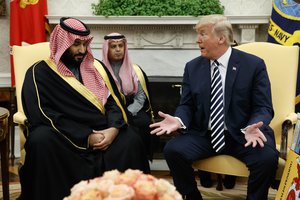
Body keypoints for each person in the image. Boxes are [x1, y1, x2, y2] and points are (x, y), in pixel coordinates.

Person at [19, 17, 150, 200]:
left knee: (131, 140)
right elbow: (42, 113)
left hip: (103, 131)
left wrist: (113, 129)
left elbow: (113, 102)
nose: (82, 50)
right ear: (62, 44)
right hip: (64, 135)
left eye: (85, 44)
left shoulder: (95, 68)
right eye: (76, 44)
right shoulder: (39, 72)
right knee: (40, 140)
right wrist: (86, 136)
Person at [150, 14, 278, 200]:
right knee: (173, 150)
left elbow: (263, 106)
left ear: (221, 38)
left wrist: (254, 125)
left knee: (266, 159)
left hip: (243, 134)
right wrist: (178, 120)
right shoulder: (192, 67)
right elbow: (187, 105)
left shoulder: (253, 65)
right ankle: (192, 196)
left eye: (203, 34)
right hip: (206, 134)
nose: (197, 40)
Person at [101, 32, 155, 160]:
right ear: (106, 49)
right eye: (113, 46)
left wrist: (128, 112)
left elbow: (140, 97)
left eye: (121, 46)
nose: (118, 49)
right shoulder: (99, 70)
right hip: (108, 110)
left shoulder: (135, 70)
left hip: (132, 108)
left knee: (143, 123)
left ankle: (140, 159)